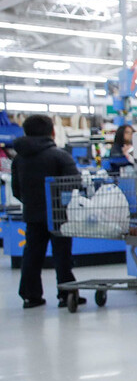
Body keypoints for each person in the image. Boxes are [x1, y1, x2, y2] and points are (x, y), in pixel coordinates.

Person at [11, 114, 82, 309]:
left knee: (32, 254)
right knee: (62, 254)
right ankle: (66, 293)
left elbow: (16, 189)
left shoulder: (19, 158)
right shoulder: (59, 155)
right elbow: (75, 182)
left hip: (32, 214)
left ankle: (30, 296)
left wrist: (31, 202)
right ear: (52, 132)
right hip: (58, 213)